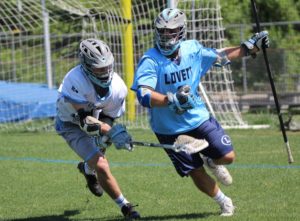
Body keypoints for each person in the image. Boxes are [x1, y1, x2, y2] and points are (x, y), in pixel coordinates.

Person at [131, 8, 269, 216]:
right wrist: (172, 99)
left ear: (181, 31)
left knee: (228, 157)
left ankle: (212, 161)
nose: (166, 36)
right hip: (169, 129)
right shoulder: (150, 60)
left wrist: (249, 48)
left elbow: (219, 57)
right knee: (194, 170)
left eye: (172, 31)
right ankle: (224, 202)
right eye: (162, 31)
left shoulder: (192, 49)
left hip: (198, 118)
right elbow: (144, 95)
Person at [55, 38, 141, 219]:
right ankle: (126, 207)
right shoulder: (74, 79)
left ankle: (87, 170)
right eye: (99, 68)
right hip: (71, 123)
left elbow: (109, 116)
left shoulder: (118, 87)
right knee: (101, 164)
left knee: (99, 151)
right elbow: (85, 121)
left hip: (99, 117)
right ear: (86, 65)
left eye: (108, 66)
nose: (105, 72)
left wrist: (112, 132)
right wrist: (110, 132)